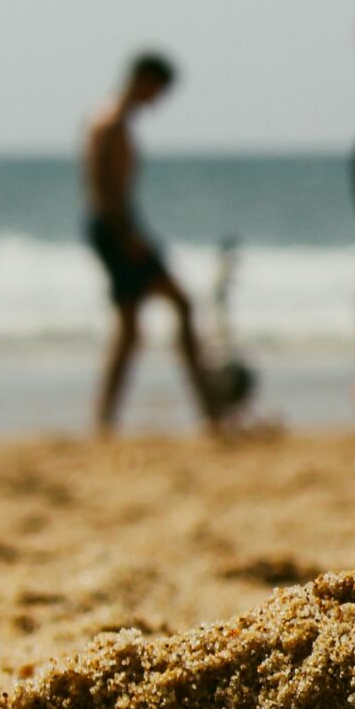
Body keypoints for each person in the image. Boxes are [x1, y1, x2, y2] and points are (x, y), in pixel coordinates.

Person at [81, 51, 227, 435]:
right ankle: (208, 410)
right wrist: (128, 237)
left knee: (132, 329)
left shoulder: (115, 118)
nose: (159, 100)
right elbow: (103, 189)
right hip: (117, 229)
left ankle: (107, 418)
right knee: (178, 306)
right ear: (145, 80)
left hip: (118, 227)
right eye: (160, 90)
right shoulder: (110, 120)